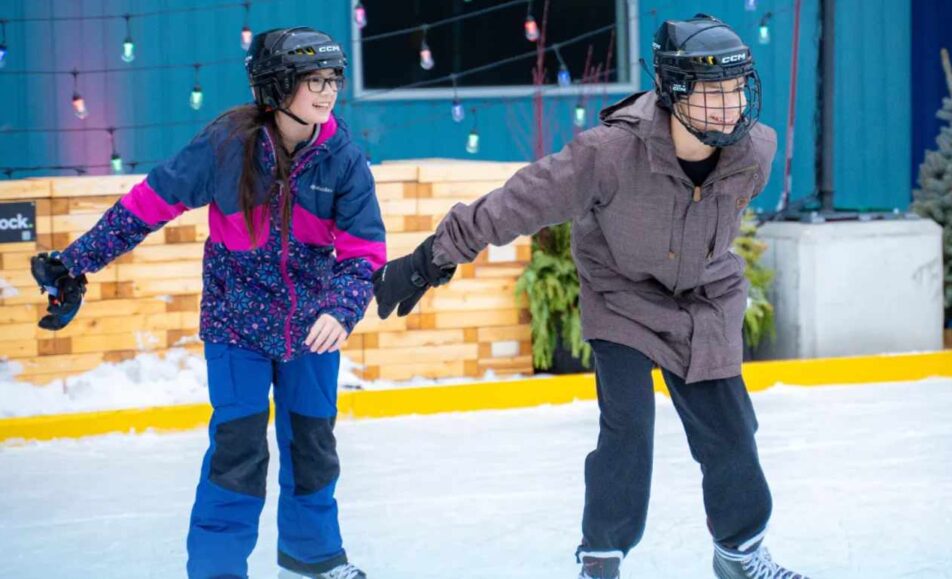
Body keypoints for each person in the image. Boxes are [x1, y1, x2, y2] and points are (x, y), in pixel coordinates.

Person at [372, 14, 809, 579]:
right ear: (674, 92)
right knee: (627, 430)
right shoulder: (608, 154)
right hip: (621, 296)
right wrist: (433, 256)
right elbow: (518, 202)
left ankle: (740, 554)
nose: (729, 108)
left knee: (731, 433)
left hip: (704, 301)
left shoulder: (755, 152)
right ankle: (601, 557)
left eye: (735, 90)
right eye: (711, 93)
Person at [30, 27, 384, 579]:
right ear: (278, 85)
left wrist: (341, 308)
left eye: (332, 79)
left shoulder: (343, 159)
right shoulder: (226, 146)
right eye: (312, 80)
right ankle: (217, 570)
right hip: (236, 326)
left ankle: (314, 557)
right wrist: (76, 263)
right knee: (238, 453)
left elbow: (364, 250)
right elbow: (146, 206)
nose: (326, 91)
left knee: (313, 446)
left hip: (312, 329)